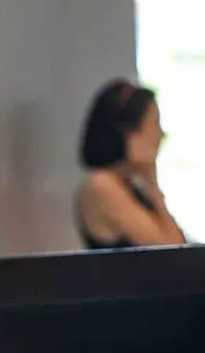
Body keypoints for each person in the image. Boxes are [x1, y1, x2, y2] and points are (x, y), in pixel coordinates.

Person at [76, 78, 186, 251]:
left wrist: (152, 184)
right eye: (153, 124)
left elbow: (179, 246)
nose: (160, 134)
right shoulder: (102, 187)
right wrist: (153, 185)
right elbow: (170, 248)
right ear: (129, 133)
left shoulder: (130, 184)